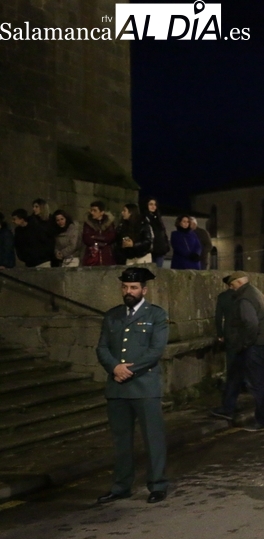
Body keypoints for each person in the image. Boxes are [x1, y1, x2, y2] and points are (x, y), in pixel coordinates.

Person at [95, 267, 169, 504]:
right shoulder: (112, 315)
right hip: (117, 388)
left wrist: (127, 370)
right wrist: (114, 368)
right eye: (125, 287)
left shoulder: (156, 315)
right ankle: (121, 486)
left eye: (134, 287)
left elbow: (155, 350)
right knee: (121, 442)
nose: (129, 291)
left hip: (145, 386)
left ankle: (157, 485)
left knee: (153, 439)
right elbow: (102, 347)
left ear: (143, 290)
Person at [210, 271, 264, 431]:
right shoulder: (255, 292)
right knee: (236, 373)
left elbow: (251, 324)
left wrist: (245, 343)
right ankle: (228, 408)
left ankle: (262, 420)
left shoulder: (245, 297)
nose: (231, 289)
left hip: (254, 344)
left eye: (232, 285)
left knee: (256, 382)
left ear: (239, 283)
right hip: (258, 342)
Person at [82, 201, 117, 266]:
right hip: (92, 255)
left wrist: (95, 237)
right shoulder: (88, 223)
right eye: (91, 210)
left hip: (106, 255)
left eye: (95, 210)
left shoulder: (109, 223)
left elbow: (111, 237)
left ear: (102, 212)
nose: (92, 212)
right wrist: (96, 244)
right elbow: (86, 238)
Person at [144, 198, 170, 268]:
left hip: (160, 250)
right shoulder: (144, 218)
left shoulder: (158, 218)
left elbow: (163, 233)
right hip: (150, 250)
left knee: (158, 272)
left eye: (155, 205)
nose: (153, 206)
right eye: (151, 204)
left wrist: (166, 246)